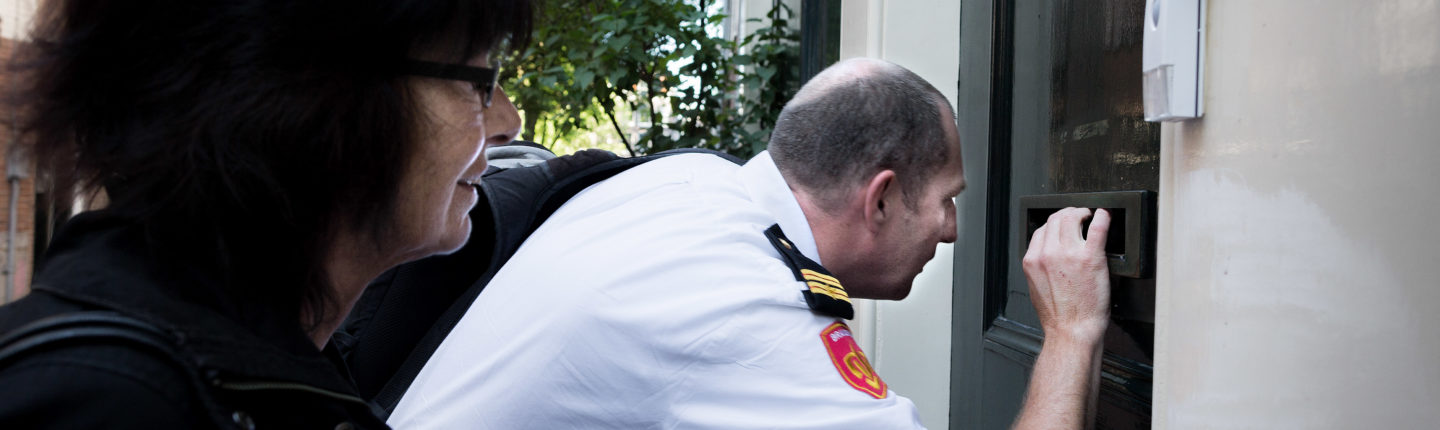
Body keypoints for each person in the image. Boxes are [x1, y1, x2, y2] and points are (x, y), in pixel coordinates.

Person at [387, 58, 1113, 429]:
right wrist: (1071, 333)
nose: (953, 228)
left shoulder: (695, 185)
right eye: (946, 200)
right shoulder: (743, 306)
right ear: (882, 197)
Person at [0, 0, 531, 428]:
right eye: (476, 80)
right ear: (317, 99)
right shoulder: (104, 399)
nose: (508, 121)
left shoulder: (263, 368)